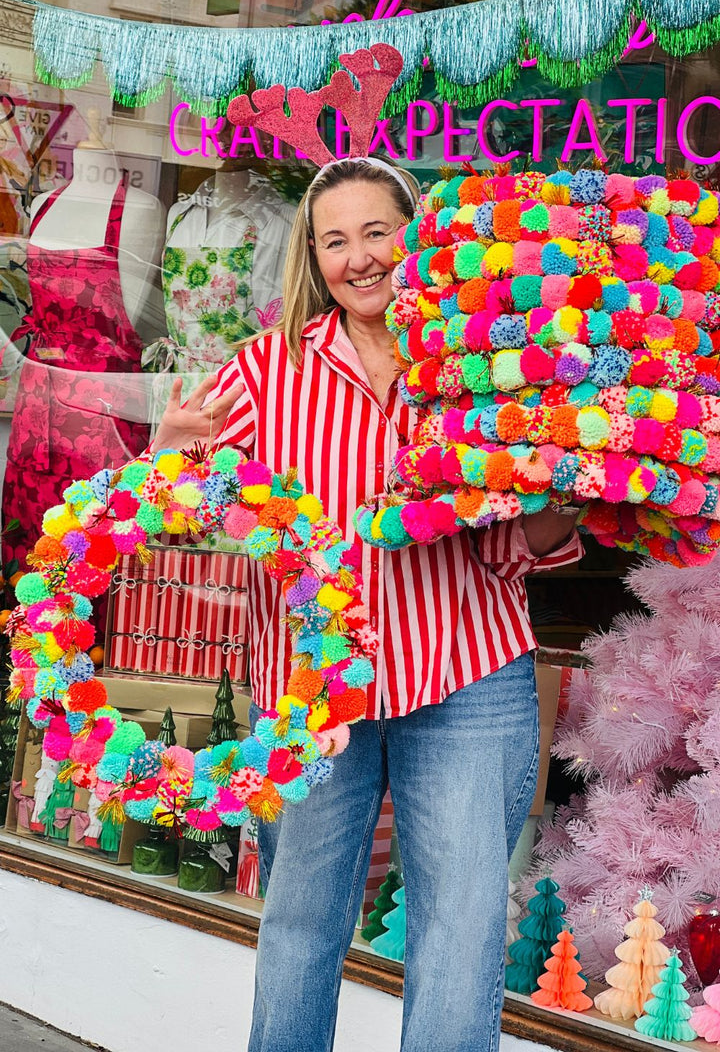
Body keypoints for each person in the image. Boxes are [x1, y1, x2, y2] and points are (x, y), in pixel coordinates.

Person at [152, 157, 584, 1052]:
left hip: (467, 671)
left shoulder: (481, 369)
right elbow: (185, 518)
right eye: (335, 241)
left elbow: (512, 549)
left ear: (416, 234)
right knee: (303, 923)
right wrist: (170, 459)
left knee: (461, 933)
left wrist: (552, 513)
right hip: (315, 696)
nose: (359, 259)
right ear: (314, 258)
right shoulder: (265, 374)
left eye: (376, 232)